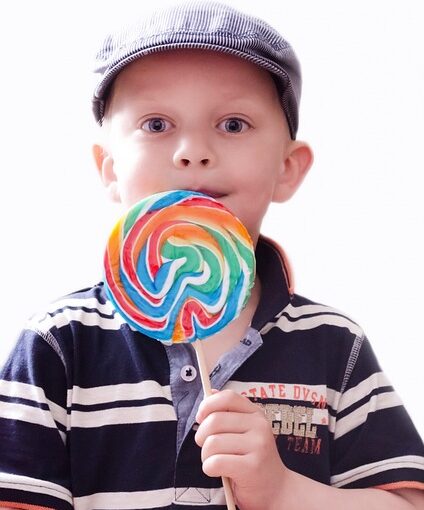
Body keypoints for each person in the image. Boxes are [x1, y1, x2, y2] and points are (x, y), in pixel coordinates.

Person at [0, 2, 423, 509]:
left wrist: (284, 491)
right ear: (109, 169)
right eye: (157, 124)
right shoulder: (58, 344)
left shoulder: (335, 345)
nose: (193, 151)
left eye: (233, 124)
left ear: (288, 168)